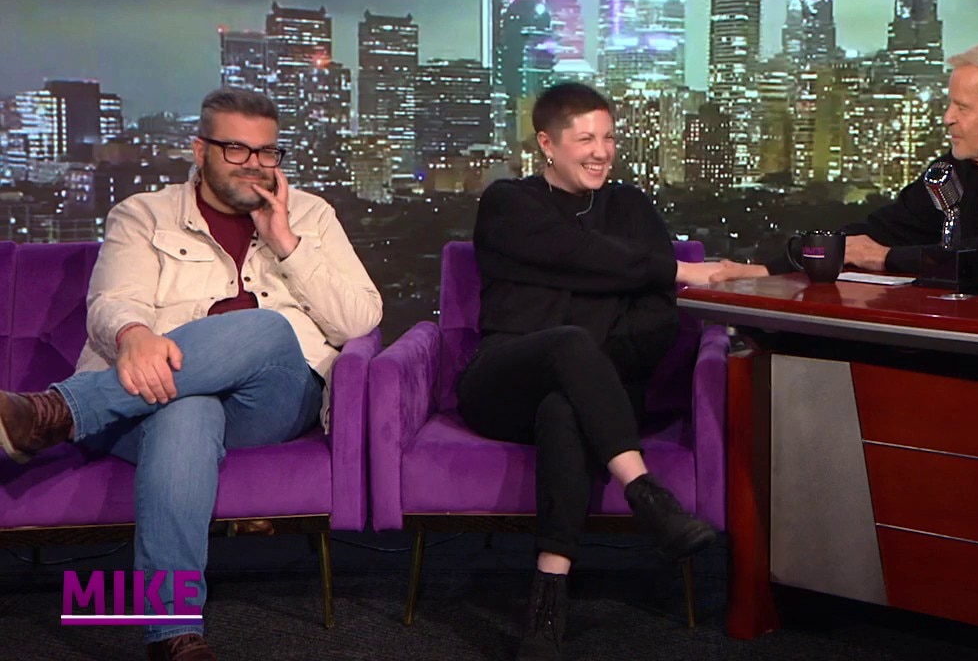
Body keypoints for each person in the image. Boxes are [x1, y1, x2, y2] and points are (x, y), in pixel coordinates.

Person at [0, 88, 382, 660]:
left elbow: (360, 320)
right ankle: (173, 635)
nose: (254, 164)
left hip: (271, 399)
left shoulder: (311, 216)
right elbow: (113, 302)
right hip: (149, 396)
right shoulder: (142, 214)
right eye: (236, 149)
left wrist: (286, 243)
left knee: (268, 327)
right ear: (199, 150)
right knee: (187, 410)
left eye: (267, 152)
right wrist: (133, 335)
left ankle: (57, 412)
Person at [458, 82, 718, 661]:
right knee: (570, 346)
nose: (602, 151)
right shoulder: (508, 203)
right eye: (585, 140)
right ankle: (645, 492)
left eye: (609, 138)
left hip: (598, 394)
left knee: (566, 406)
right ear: (547, 144)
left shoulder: (631, 209)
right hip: (502, 380)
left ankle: (545, 609)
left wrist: (591, 372)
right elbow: (576, 255)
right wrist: (665, 270)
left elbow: (656, 316)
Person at [708, 40, 978, 284]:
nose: (947, 118)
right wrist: (765, 269)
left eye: (962, 107)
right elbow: (883, 230)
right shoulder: (959, 168)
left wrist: (888, 259)